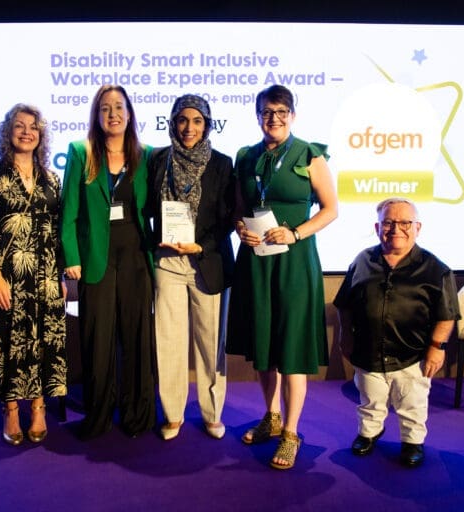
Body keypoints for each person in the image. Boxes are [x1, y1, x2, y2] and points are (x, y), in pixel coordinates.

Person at [227, 84, 338, 469]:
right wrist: (240, 227)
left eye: (280, 111)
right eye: (266, 112)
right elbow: (238, 209)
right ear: (257, 115)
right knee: (263, 346)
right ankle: (271, 417)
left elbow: (330, 209)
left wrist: (295, 232)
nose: (273, 118)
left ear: (292, 114)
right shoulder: (245, 156)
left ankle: (291, 433)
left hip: (294, 262)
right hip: (256, 260)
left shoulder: (310, 154)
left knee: (290, 349)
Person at [333, 197, 460, 467]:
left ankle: (412, 442)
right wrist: (345, 336)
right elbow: (344, 305)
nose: (396, 229)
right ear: (378, 227)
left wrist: (437, 347)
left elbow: (447, 314)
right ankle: (369, 433)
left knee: (412, 403)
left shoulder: (436, 268)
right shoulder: (362, 260)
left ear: (418, 227)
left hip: (412, 355)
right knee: (370, 399)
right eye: (389, 222)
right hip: (367, 352)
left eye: (405, 223)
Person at [61, 84, 156, 439]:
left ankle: (137, 415)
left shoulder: (144, 155)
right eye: (105, 108)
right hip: (95, 259)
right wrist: (71, 258)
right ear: (97, 116)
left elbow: (153, 209)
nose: (112, 114)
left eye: (119, 107)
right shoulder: (80, 152)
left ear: (129, 114)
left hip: (135, 255)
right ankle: (98, 416)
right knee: (96, 340)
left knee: (135, 338)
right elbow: (68, 212)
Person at [0, 103, 67, 446]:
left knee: (45, 341)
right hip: (7, 276)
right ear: (7, 133)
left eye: (33, 127)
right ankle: (11, 410)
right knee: (9, 344)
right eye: (19, 126)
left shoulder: (51, 179)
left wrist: (58, 278)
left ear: (40, 135)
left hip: (45, 276)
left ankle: (39, 407)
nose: (27, 132)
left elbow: (57, 233)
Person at [148, 94, 235, 441]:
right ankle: (173, 414)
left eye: (197, 121)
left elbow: (229, 217)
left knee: (210, 341)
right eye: (183, 120)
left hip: (207, 261)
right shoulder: (157, 160)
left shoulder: (223, 164)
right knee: (168, 340)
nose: (189, 128)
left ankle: (212, 413)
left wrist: (202, 245)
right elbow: (147, 208)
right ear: (172, 122)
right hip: (168, 260)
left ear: (207, 124)